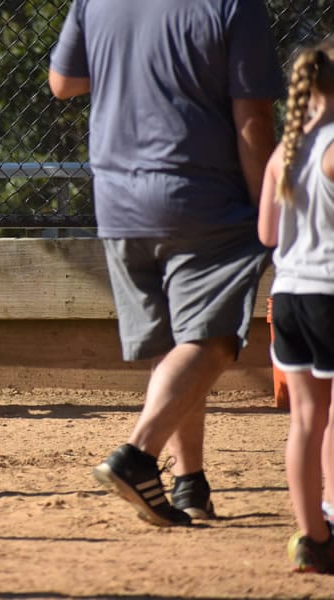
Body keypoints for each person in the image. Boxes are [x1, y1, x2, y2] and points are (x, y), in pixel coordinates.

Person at [48, 0, 282, 526]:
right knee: (212, 341)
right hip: (202, 198)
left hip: (117, 200)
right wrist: (271, 211)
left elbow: (62, 83)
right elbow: (254, 119)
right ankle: (138, 454)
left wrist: (134, 64)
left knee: (178, 345)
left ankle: (189, 484)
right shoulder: (233, 5)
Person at [257, 38, 334, 573]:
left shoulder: (286, 151)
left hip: (287, 294)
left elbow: (267, 234)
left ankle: (313, 537)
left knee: (306, 419)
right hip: (329, 293)